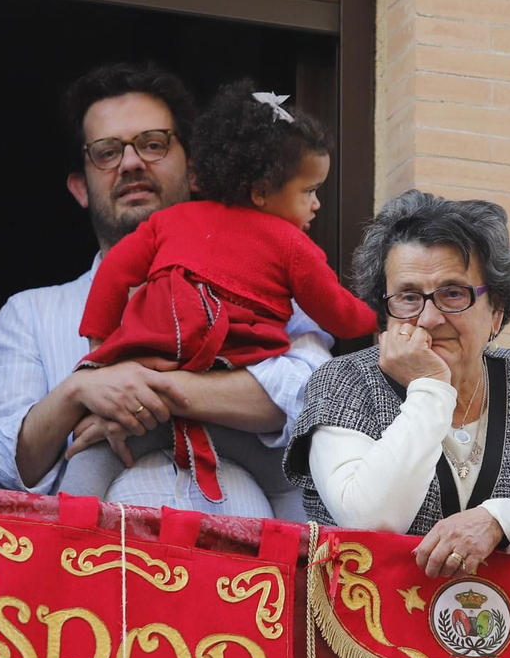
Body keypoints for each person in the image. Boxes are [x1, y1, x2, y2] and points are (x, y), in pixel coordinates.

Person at [0, 62, 331, 517]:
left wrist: (154, 390)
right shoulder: (28, 314)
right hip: (94, 560)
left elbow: (315, 398)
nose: (131, 163)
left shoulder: (276, 290)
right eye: (106, 152)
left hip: (253, 561)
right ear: (80, 188)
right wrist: (78, 391)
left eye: (153, 144)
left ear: (195, 171)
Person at [64, 81, 375, 505]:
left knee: (92, 453)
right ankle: (307, 549)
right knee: (293, 479)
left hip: (151, 364)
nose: (317, 204)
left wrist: (99, 348)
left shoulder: (170, 220)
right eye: (309, 191)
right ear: (261, 191)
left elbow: (113, 272)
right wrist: (383, 313)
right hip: (231, 383)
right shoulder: (292, 245)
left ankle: (67, 527)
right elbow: (339, 313)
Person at [284, 190, 510, 576]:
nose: (429, 318)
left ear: (496, 311)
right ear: (385, 313)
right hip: (368, 611)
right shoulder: (344, 382)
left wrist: (500, 520)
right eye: (408, 297)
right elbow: (371, 521)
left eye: (453, 293)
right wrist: (430, 386)